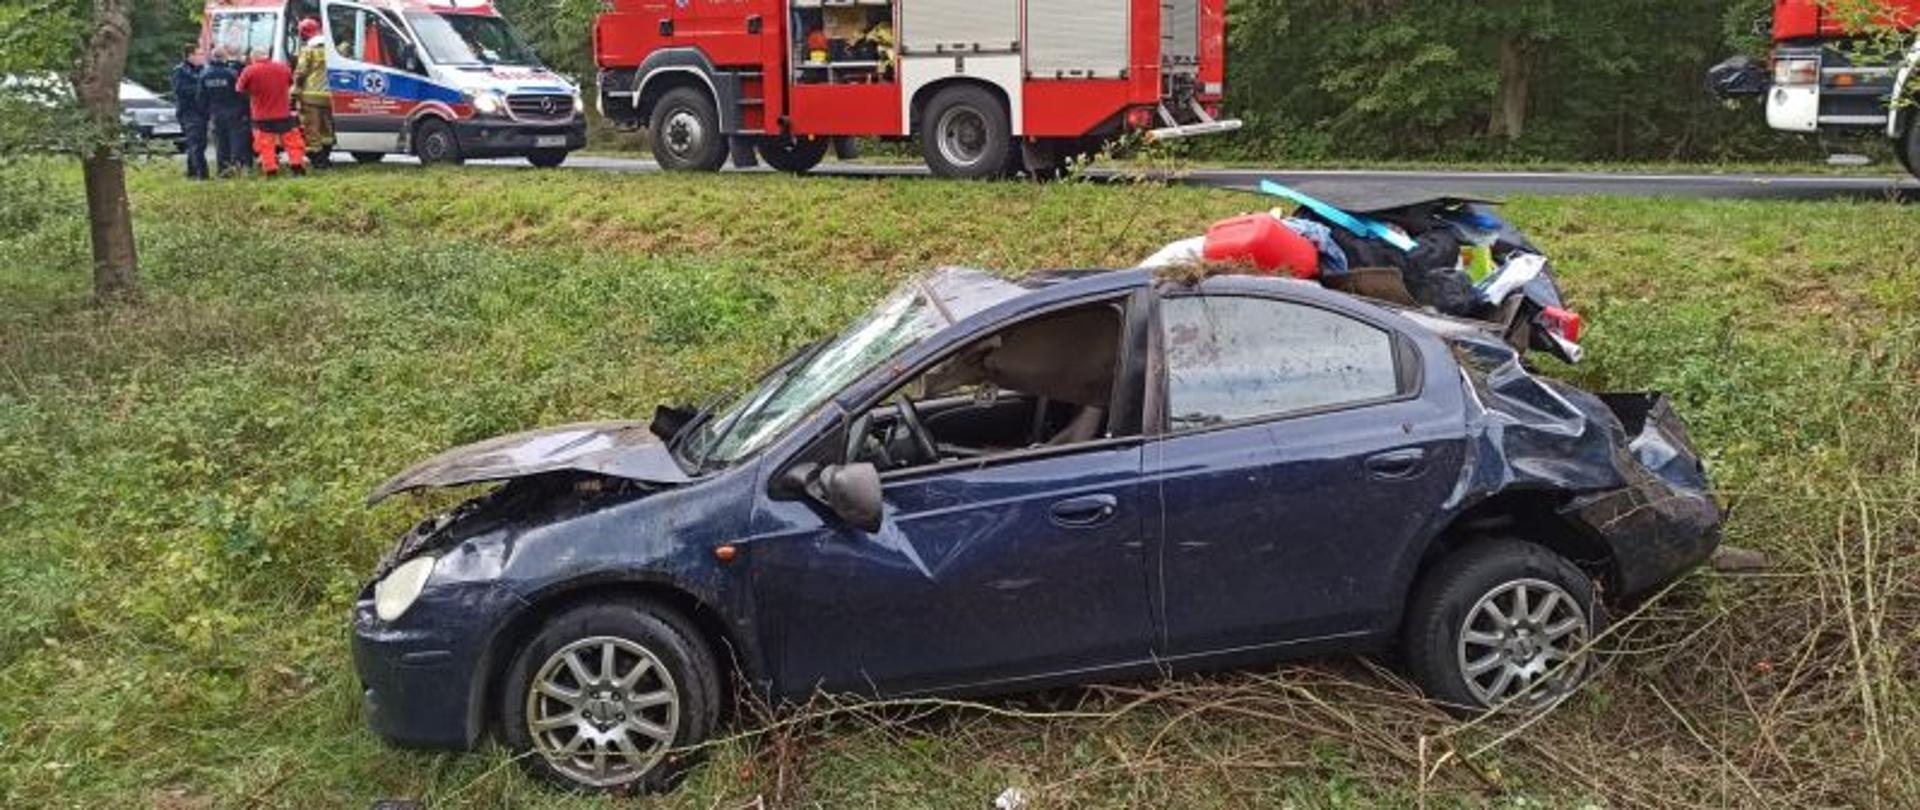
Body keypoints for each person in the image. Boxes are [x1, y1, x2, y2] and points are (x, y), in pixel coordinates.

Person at [236, 48, 307, 177]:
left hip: (261, 116)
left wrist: (252, 92)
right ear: (267, 56)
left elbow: (239, 89)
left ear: (253, 58)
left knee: (265, 145)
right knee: (293, 142)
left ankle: (270, 169)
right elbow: (290, 83)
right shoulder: (283, 68)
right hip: (283, 113)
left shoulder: (249, 70)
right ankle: (297, 166)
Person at [292, 17, 334, 168]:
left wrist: (294, 91)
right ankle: (326, 157)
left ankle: (318, 161)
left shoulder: (308, 50)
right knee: (326, 129)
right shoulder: (332, 49)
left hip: (310, 97)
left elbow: (300, 72)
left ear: (304, 33)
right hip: (328, 96)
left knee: (312, 129)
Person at [201, 46, 250, 175]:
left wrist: (207, 112)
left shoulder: (204, 74)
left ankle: (223, 171)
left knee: (221, 143)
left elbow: (201, 97)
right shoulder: (231, 73)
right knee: (236, 141)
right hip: (234, 112)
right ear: (224, 57)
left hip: (216, 113)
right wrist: (245, 110)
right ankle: (237, 168)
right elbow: (241, 93)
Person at [170, 45, 210, 180]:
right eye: (199, 54)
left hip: (202, 111)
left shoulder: (203, 70)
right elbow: (180, 90)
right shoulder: (180, 71)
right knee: (196, 142)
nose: (202, 57)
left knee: (200, 143)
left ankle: (192, 172)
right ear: (190, 56)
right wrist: (201, 89)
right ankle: (202, 175)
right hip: (188, 111)